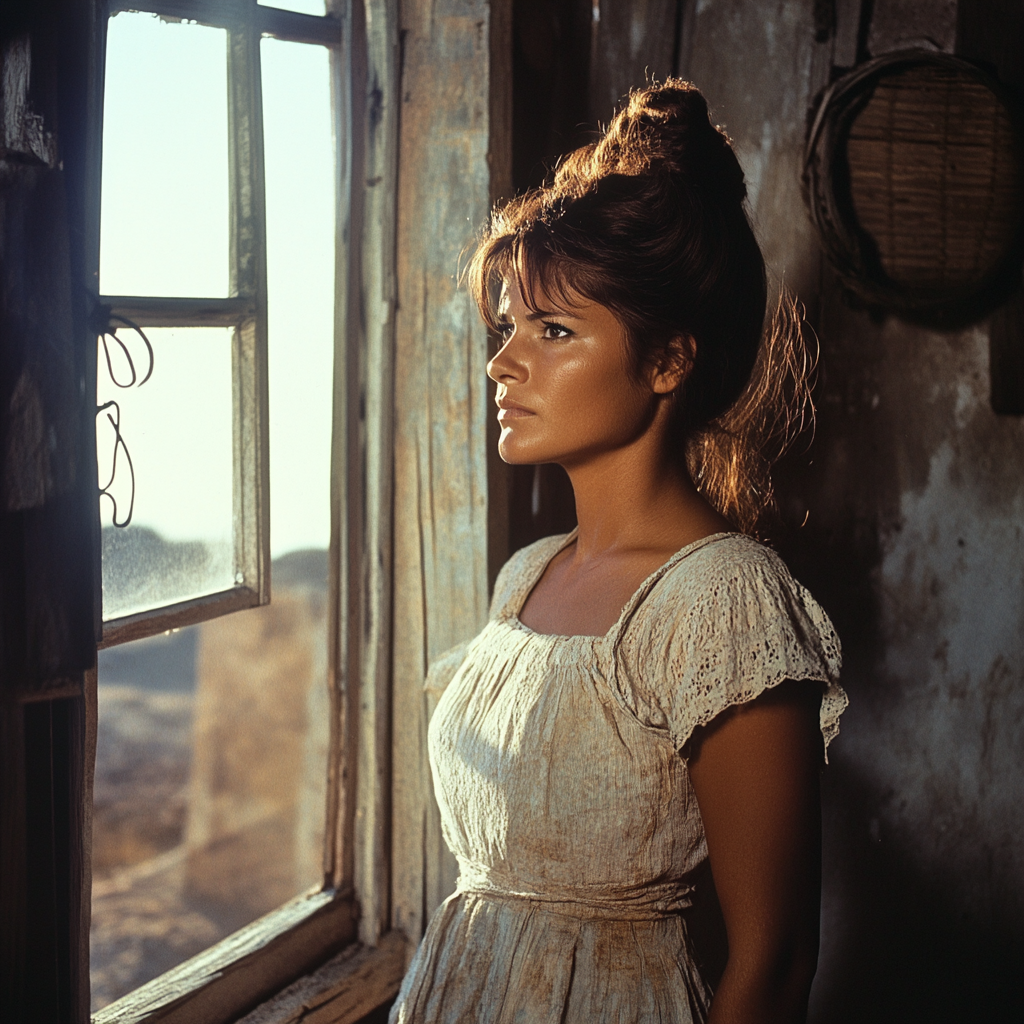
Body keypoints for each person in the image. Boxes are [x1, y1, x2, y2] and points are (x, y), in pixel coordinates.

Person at [390, 79, 847, 1024]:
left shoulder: (724, 599)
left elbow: (775, 961)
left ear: (669, 360)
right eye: (508, 325)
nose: (503, 362)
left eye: (554, 330)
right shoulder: (527, 577)